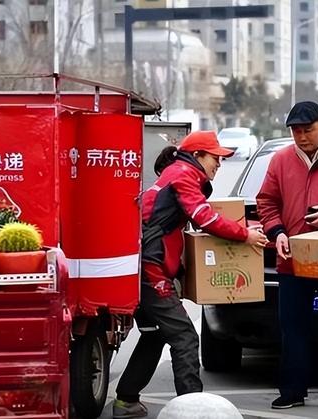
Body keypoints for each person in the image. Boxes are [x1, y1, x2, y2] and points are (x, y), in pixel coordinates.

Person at [112, 130, 268, 419]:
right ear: (197, 156)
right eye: (215, 158)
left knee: (155, 334)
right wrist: (244, 235)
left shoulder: (177, 173)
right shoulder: (183, 174)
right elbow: (204, 217)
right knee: (184, 337)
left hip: (147, 267)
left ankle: (126, 401)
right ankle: (192, 410)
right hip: (150, 270)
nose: (218, 165)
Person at [257, 101, 318, 412]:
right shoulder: (281, 160)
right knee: (293, 327)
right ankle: (292, 390)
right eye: (296, 131)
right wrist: (277, 233)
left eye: (308, 130)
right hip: (291, 260)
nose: (301, 137)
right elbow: (267, 202)